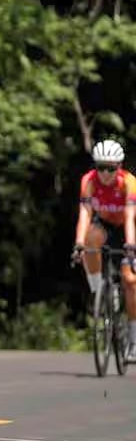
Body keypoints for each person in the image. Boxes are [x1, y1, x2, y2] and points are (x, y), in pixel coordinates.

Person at [72, 139, 136, 363]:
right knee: (91, 239)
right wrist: (79, 243)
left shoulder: (129, 182)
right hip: (107, 224)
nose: (105, 173)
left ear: (119, 167)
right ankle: (99, 292)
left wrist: (130, 247)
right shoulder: (88, 181)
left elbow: (129, 217)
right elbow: (85, 214)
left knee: (129, 280)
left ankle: (133, 341)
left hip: (129, 226)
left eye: (111, 168)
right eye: (101, 167)